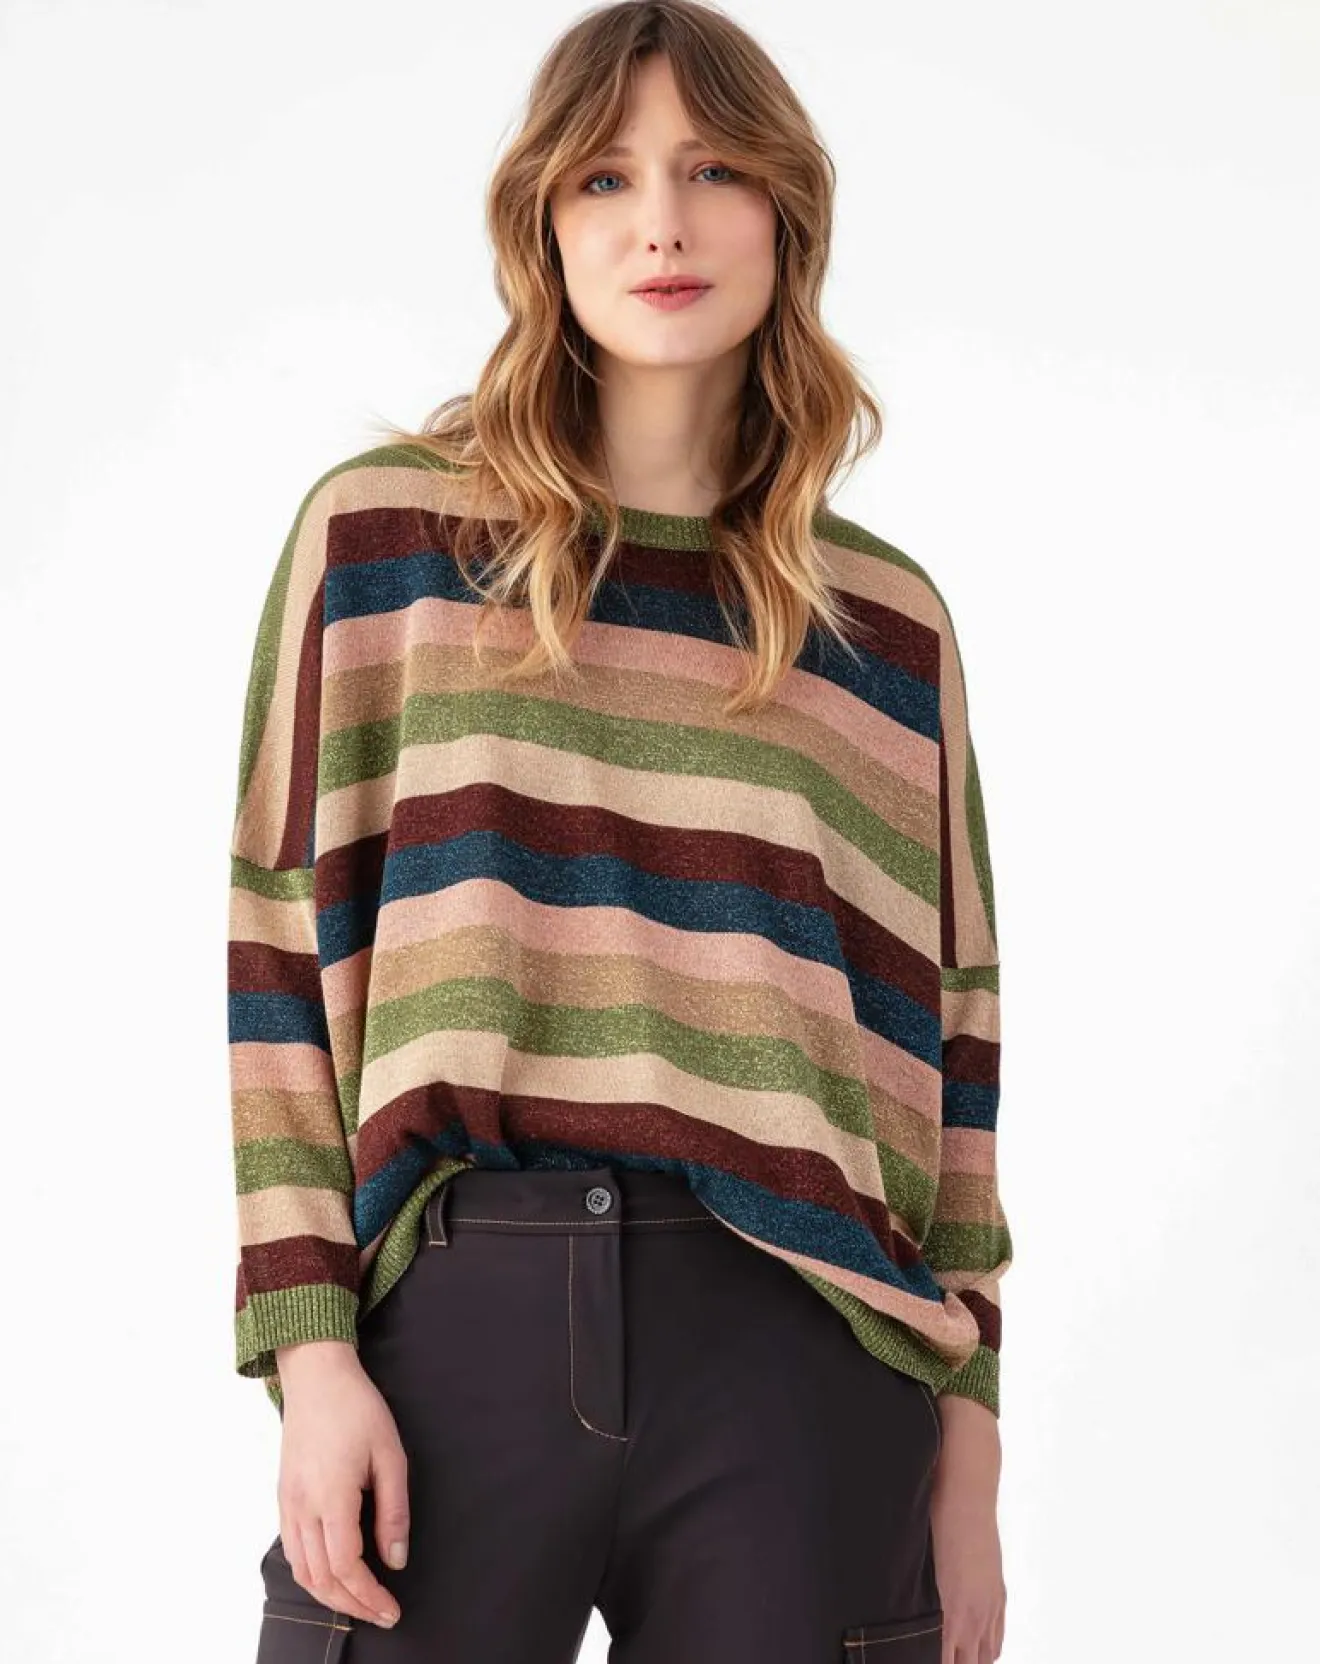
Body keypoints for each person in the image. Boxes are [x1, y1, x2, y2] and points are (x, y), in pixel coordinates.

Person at [227, 4, 1013, 1660]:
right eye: (605, 178)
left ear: (786, 211)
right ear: (543, 222)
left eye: (713, 170)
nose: (662, 222)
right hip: (457, 1328)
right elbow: (278, 951)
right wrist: (312, 1347)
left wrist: (971, 1441)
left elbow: (950, 1044)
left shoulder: (887, 628)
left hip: (806, 1358)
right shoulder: (386, 541)